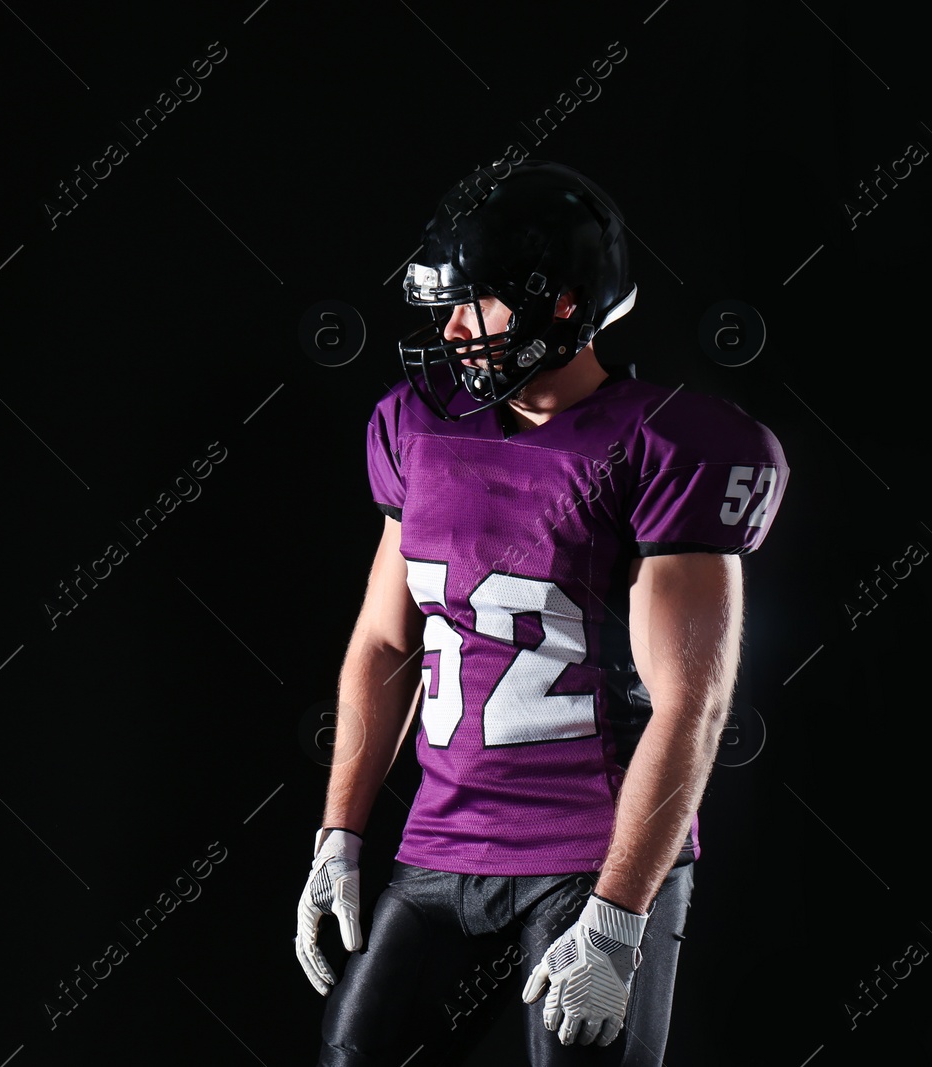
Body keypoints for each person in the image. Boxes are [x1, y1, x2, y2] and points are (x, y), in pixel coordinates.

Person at [294, 160, 789, 1066]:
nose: (448, 329)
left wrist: (619, 911)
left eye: (476, 304)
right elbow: (385, 638)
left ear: (562, 305)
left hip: (587, 854)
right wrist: (340, 832)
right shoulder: (416, 426)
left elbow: (693, 704)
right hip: (441, 845)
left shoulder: (665, 443)